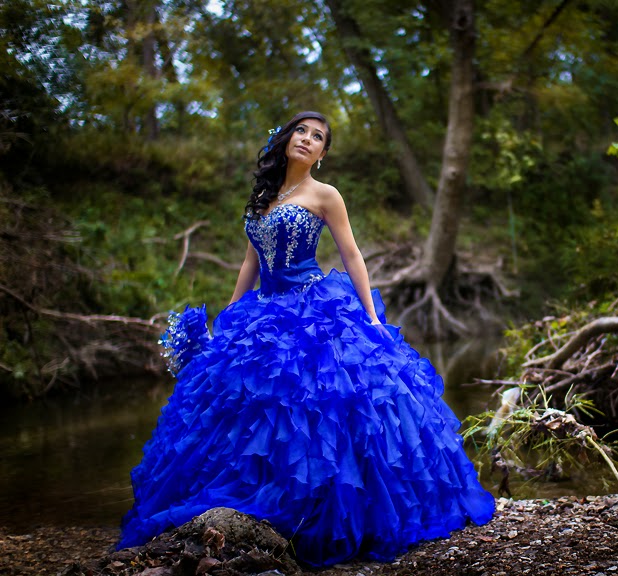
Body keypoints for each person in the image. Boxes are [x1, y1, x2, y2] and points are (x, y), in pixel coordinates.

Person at [116, 111, 496, 568]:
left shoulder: (325, 195)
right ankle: (257, 492)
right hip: (263, 310)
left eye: (318, 137)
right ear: (288, 138)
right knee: (249, 410)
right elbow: (249, 263)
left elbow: (352, 255)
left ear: (322, 153)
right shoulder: (263, 195)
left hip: (312, 308)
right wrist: (230, 315)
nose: (308, 139)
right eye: (302, 130)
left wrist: (372, 318)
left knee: (321, 410)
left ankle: (326, 508)